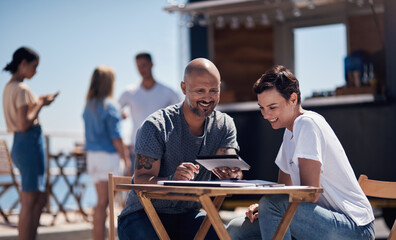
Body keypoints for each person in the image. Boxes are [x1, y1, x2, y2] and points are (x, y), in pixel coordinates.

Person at [226, 65, 375, 240]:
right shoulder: (290, 132)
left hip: (354, 228)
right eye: (262, 108)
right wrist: (264, 208)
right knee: (235, 228)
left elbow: (310, 193)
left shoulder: (307, 123)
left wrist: (269, 207)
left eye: (272, 107)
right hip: (319, 220)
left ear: (293, 98)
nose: (266, 115)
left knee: (270, 205)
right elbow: (283, 191)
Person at [117, 58, 242, 240]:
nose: (208, 98)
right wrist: (171, 179)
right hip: (142, 214)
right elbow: (141, 180)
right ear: (184, 88)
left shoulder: (224, 125)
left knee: (221, 236)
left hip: (187, 214)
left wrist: (232, 171)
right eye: (200, 91)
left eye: (213, 91)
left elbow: (228, 157)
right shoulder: (156, 126)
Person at [2, 47, 58, 240]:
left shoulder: (9, 87)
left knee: (38, 198)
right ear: (23, 64)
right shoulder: (22, 89)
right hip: (28, 143)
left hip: (20, 144)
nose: (35, 71)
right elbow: (24, 123)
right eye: (34, 67)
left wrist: (38, 102)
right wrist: (41, 104)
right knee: (29, 200)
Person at [83, 66, 131, 240]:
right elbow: (116, 137)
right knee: (105, 203)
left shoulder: (89, 104)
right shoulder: (110, 105)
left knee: (101, 202)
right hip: (107, 157)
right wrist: (126, 159)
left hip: (92, 157)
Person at [118, 52, 180, 173]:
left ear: (152, 64)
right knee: (135, 189)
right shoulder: (130, 92)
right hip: (135, 148)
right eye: (139, 66)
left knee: (157, 188)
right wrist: (121, 115)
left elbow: (181, 114)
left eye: (144, 65)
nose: (142, 69)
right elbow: (113, 112)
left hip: (161, 148)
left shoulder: (167, 92)